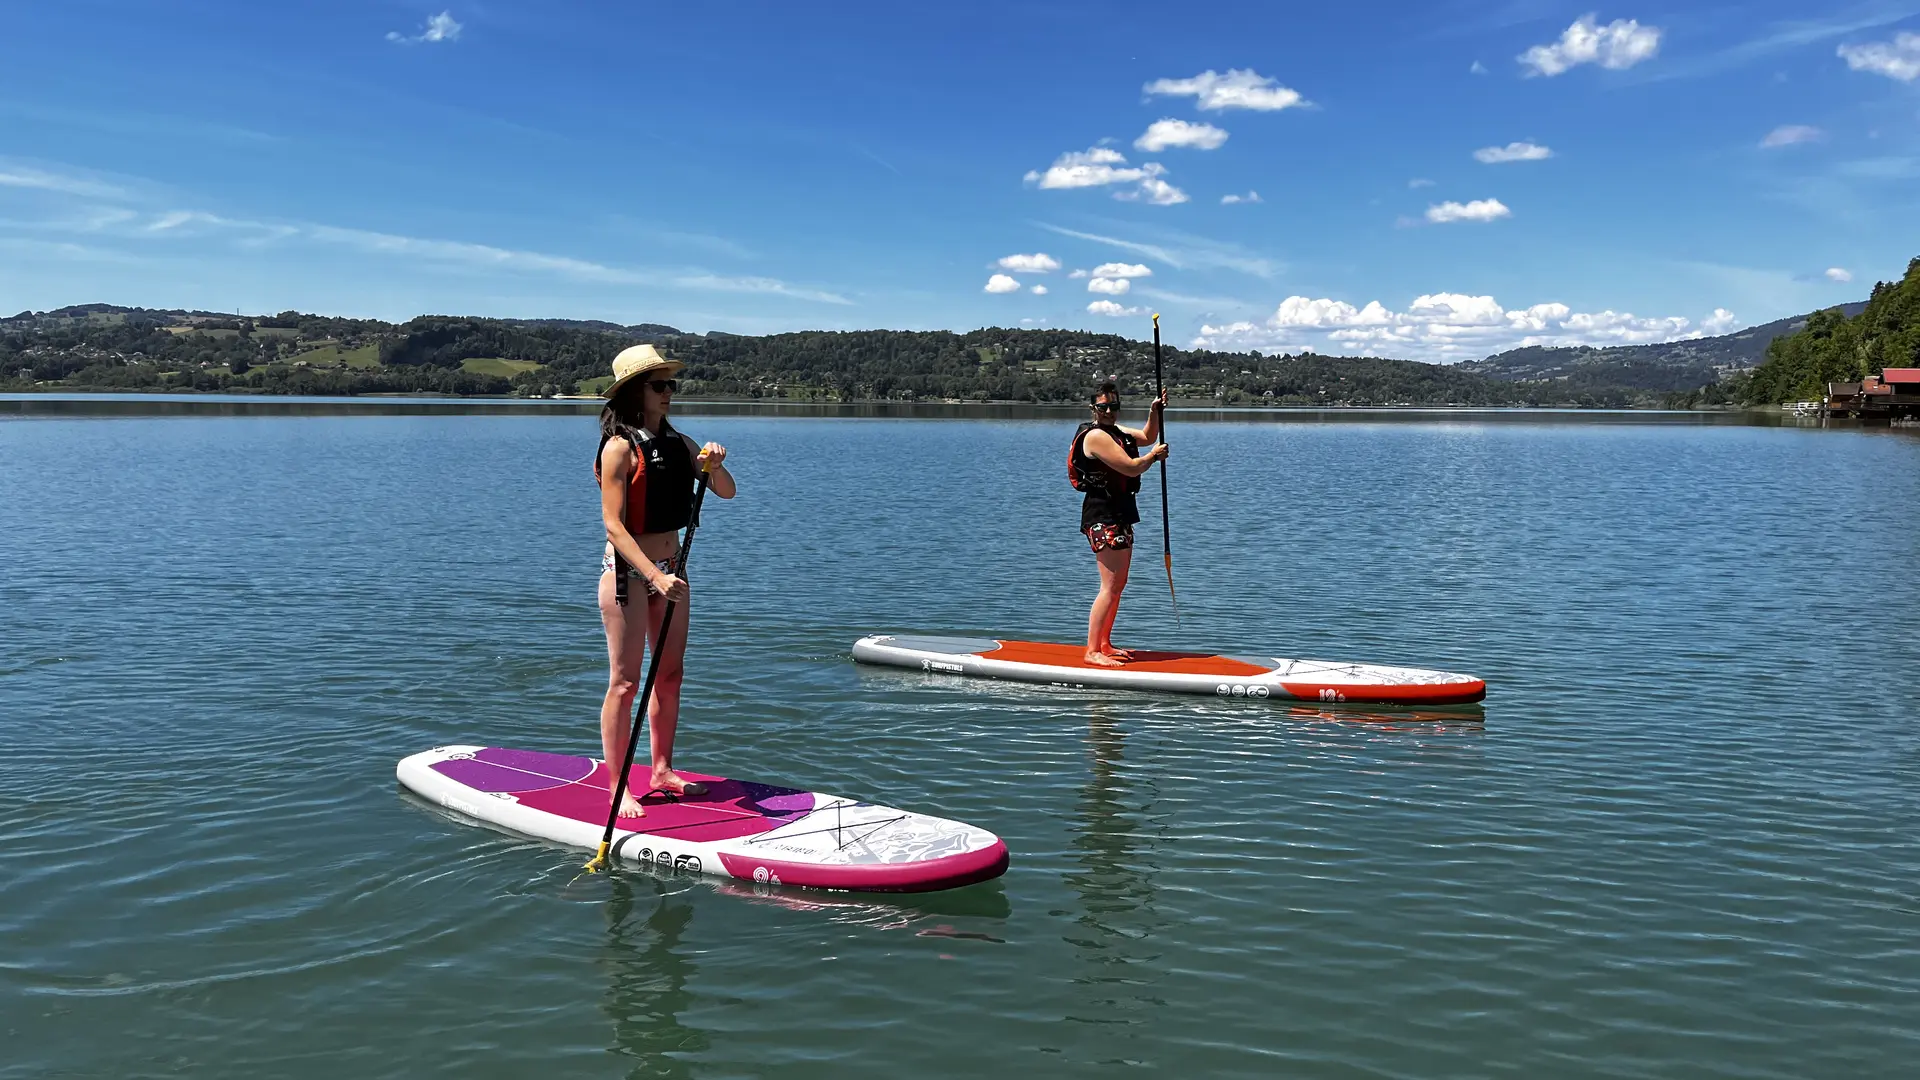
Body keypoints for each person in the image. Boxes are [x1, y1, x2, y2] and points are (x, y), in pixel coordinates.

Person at [595, 343, 736, 817]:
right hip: (630, 577)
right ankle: (618, 785)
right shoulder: (619, 449)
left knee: (670, 676)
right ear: (636, 392)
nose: (669, 392)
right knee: (625, 683)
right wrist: (652, 575)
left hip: (673, 574)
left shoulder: (681, 444)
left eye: (671, 384)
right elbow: (614, 525)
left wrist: (713, 465)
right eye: (659, 385)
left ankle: (661, 770)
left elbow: (727, 492)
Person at [1068, 380, 1168, 667]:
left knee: (1119, 584)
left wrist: (1154, 411)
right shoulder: (1096, 436)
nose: (1110, 411)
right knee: (1109, 586)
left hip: (1121, 512)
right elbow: (1130, 466)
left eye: (1114, 406)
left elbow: (1148, 436)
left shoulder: (1117, 432)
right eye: (1103, 407)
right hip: (1103, 515)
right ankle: (1092, 651)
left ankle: (1105, 644)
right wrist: (1152, 458)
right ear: (1093, 409)